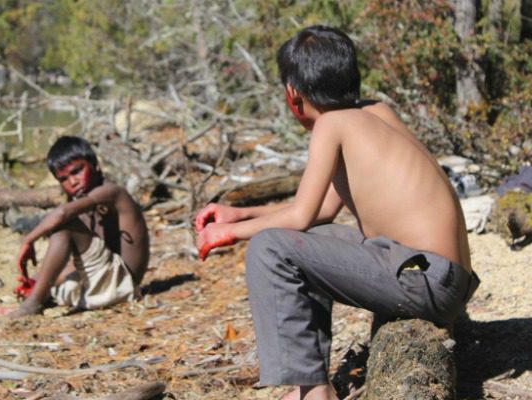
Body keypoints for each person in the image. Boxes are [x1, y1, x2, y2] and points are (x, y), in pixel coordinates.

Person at [194, 25, 479, 400]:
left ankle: (314, 392)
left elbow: (298, 217)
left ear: (292, 95)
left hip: (425, 280)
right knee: (300, 242)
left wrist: (228, 234)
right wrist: (240, 215)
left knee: (269, 249)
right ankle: (309, 382)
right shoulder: (374, 112)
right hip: (442, 278)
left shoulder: (331, 124)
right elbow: (318, 211)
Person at [0, 136, 149, 318]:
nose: (73, 182)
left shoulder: (112, 192)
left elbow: (61, 215)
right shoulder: (82, 205)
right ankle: (25, 303)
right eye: (64, 179)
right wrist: (35, 281)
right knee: (44, 281)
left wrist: (28, 240)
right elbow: (77, 262)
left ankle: (29, 308)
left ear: (96, 165)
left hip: (122, 284)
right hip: (102, 285)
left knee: (63, 225)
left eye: (77, 171)